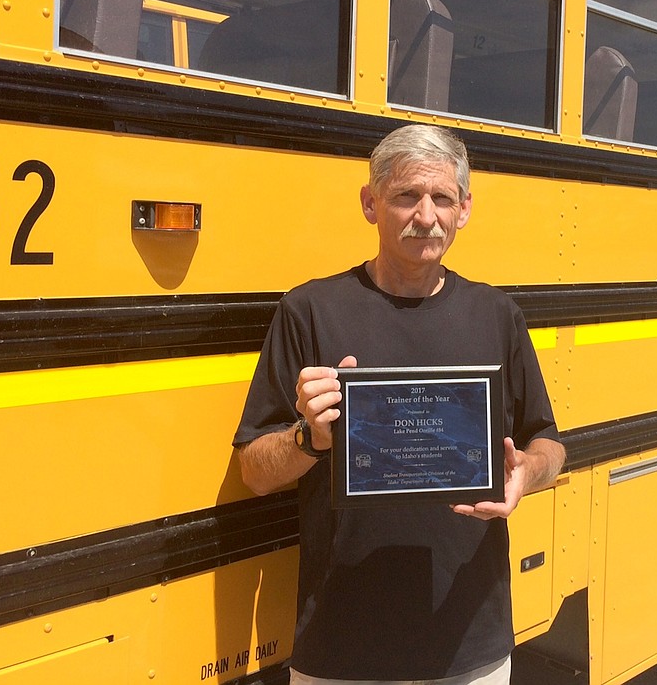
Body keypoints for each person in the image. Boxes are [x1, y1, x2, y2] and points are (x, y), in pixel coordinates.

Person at [233, 124, 566, 685]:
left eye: (442, 198)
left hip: (470, 644)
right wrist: (307, 438)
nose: (426, 215)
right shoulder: (311, 311)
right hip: (341, 647)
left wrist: (525, 475)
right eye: (406, 196)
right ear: (371, 204)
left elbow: (550, 444)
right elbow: (253, 472)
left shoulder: (497, 315)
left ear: (464, 208)